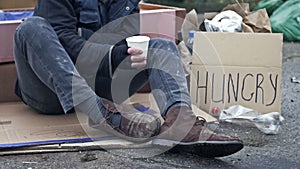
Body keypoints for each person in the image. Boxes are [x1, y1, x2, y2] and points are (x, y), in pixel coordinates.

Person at [13, 0, 243, 157]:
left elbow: (126, 43)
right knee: (30, 28)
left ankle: (179, 122)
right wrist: (113, 55)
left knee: (161, 45)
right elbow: (60, 39)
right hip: (49, 89)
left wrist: (134, 55)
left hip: (104, 87)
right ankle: (100, 113)